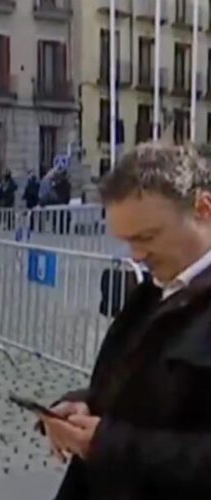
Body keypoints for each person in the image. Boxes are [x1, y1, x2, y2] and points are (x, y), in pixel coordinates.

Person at [39, 143, 211, 499]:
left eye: (147, 237)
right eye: (126, 240)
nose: (136, 255)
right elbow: (143, 387)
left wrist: (108, 444)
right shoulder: (155, 287)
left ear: (204, 210)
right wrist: (83, 407)